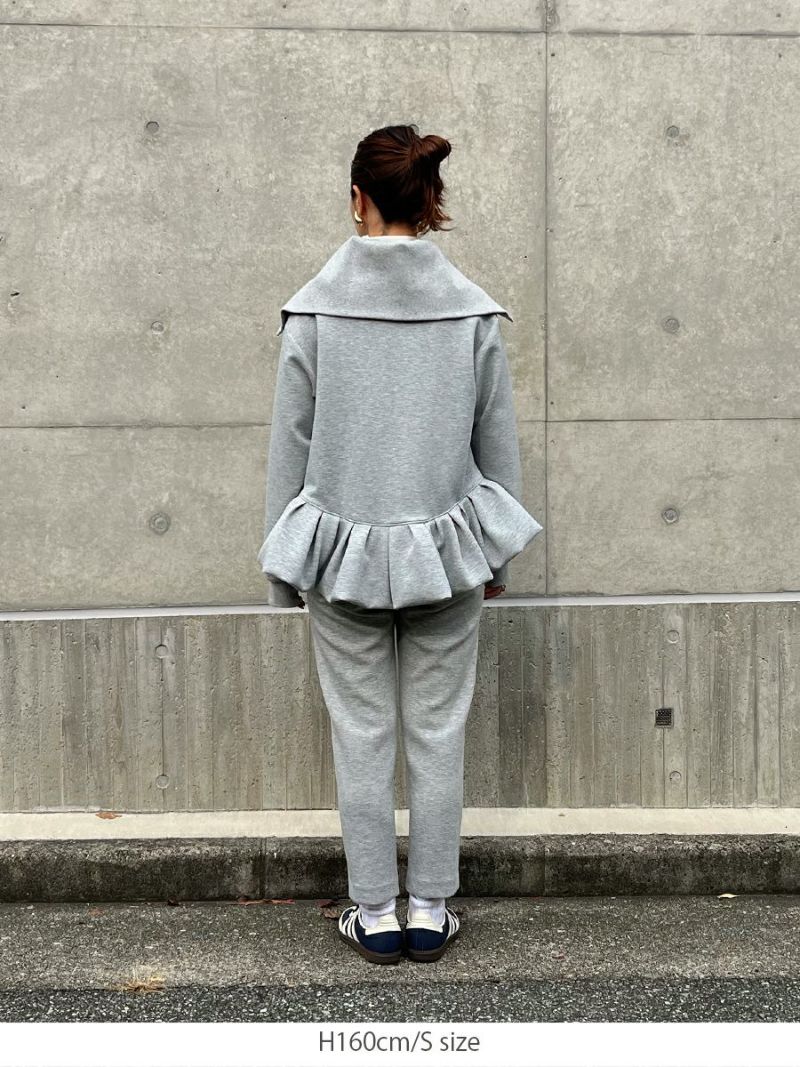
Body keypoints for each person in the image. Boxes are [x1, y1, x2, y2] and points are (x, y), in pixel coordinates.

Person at [257, 124, 543, 966]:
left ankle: (376, 912)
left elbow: (289, 451)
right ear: (429, 202)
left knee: (362, 731)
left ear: (358, 199)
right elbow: (498, 449)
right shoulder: (472, 313)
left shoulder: (313, 312)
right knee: (438, 730)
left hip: (339, 556)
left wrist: (284, 571)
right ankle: (431, 908)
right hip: (448, 554)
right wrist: (497, 558)